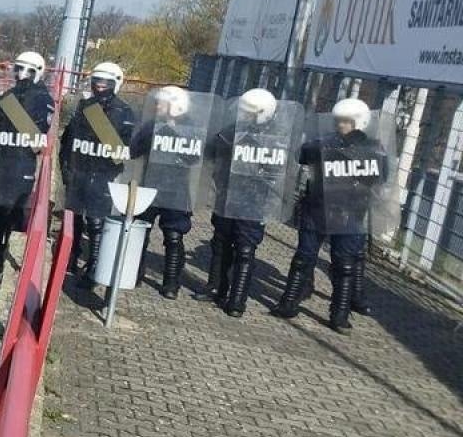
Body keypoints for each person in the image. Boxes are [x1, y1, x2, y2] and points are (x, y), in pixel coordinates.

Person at [277, 98, 389, 332]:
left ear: (360, 123)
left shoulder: (373, 150)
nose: (341, 126)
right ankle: (289, 302)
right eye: (339, 121)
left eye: (347, 122)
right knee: (304, 257)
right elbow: (302, 154)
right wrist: (326, 146)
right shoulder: (325, 144)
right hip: (317, 209)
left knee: (344, 265)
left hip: (350, 214)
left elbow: (380, 176)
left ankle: (339, 314)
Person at [204, 88, 294, 317]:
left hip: (253, 200)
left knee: (245, 250)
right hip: (227, 196)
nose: (244, 115)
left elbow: (279, 170)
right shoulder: (231, 131)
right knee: (221, 244)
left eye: (249, 111)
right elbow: (212, 151)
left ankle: (237, 299)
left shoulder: (276, 139)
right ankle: (216, 287)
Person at [60, 62, 138, 285]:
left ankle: (94, 265)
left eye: (105, 83)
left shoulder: (124, 112)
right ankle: (70, 257)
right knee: (73, 217)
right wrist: (66, 166)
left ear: (116, 83)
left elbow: (123, 150)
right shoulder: (84, 107)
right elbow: (69, 139)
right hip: (79, 170)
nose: (100, 87)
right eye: (96, 82)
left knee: (96, 222)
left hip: (103, 174)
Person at [0, 52, 55, 271]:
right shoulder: (7, 95)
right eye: (19, 69)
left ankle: (4, 252)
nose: (21, 75)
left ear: (38, 73)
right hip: (0, 158)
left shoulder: (43, 100)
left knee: (13, 210)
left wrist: (13, 102)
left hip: (22, 161)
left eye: (28, 71)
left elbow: (36, 132)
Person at [129, 86, 207, 299]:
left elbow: (194, 157)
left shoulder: (191, 127)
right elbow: (134, 150)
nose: (158, 106)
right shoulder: (151, 125)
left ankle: (171, 283)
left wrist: (171, 132)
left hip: (176, 189)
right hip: (150, 184)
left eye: (162, 103)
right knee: (139, 231)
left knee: (173, 236)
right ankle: (132, 273)